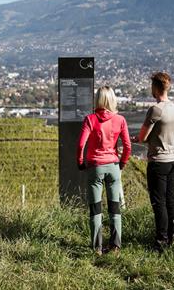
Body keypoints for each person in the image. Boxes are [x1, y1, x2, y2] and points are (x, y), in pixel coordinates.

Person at [77, 86, 131, 255]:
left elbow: (80, 144)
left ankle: (97, 248)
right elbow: (128, 146)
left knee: (95, 209)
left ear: (97, 99)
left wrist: (80, 162)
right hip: (113, 166)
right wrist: (122, 163)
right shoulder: (120, 120)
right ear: (113, 100)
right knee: (115, 208)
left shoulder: (90, 119)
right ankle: (115, 246)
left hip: (95, 167)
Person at [132, 72, 174, 251]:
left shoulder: (156, 109)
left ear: (155, 88)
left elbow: (144, 136)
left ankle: (161, 241)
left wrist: (135, 138)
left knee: (158, 202)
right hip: (173, 159)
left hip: (158, 161)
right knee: (171, 200)